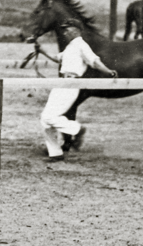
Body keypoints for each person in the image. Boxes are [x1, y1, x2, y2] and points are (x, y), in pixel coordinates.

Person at [39, 19, 117, 163]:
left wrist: (108, 72)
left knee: (50, 117)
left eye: (67, 29)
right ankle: (55, 153)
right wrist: (42, 51)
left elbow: (94, 61)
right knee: (44, 118)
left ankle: (77, 129)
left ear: (76, 30)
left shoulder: (82, 45)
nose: (65, 32)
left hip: (71, 84)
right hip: (61, 82)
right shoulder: (70, 46)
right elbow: (58, 59)